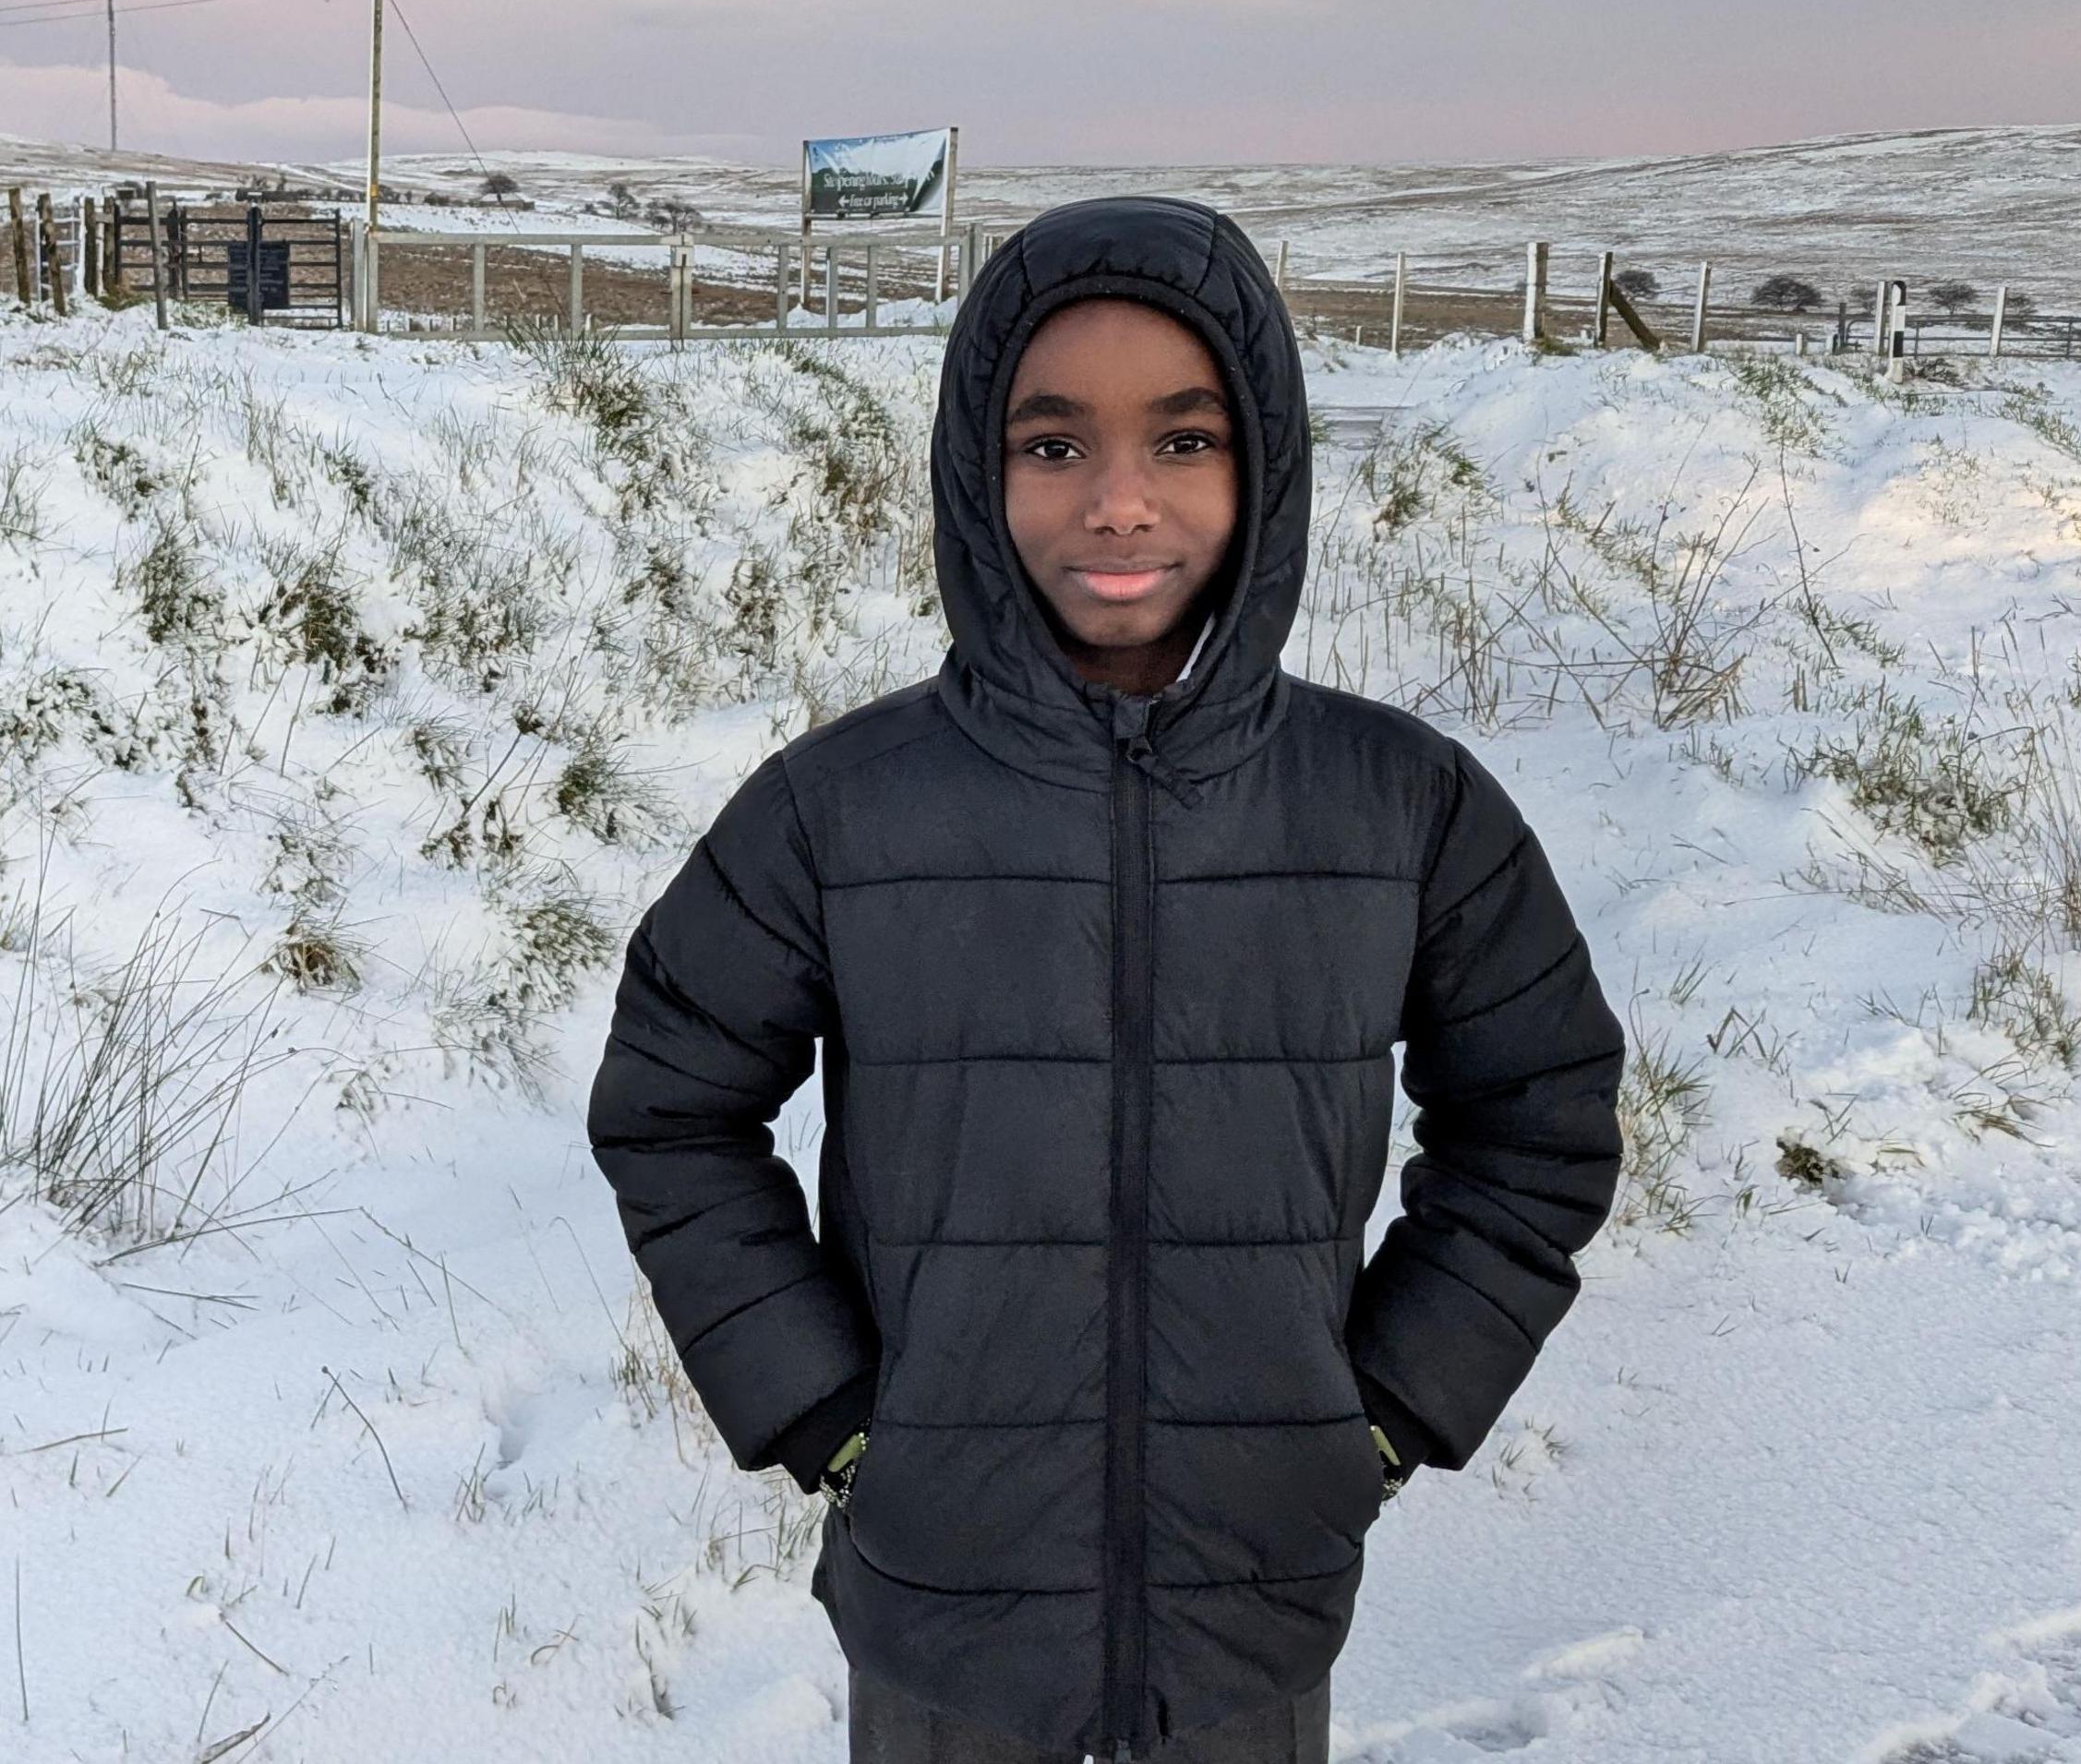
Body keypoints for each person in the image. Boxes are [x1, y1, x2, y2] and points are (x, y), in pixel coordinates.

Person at [585, 197, 1625, 1762]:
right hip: (941, 1602)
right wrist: (834, 1419)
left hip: (1252, 1607)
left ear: (1261, 466)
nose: (1120, 505)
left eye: (1185, 442)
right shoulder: (843, 808)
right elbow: (671, 1107)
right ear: (976, 471)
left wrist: (1387, 1415)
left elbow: (1540, 1116)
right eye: (1056, 446)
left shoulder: (1402, 804)